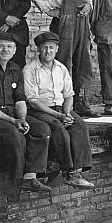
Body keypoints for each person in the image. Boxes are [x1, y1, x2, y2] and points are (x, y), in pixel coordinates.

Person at [26, 0, 96, 117]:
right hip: (63, 21)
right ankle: (64, 106)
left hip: (81, 22)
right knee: (63, 62)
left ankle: (82, 103)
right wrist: (48, 9)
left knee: (83, 63)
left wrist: (88, 5)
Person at [0, 33, 50, 192]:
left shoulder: (15, 69)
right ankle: (17, 180)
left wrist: (22, 118)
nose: (5, 50)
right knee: (15, 133)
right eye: (0, 46)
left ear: (15, 50)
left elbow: (20, 99)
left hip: (11, 114)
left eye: (9, 46)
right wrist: (13, 121)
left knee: (42, 129)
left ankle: (31, 176)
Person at [24, 31, 94, 188]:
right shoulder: (30, 69)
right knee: (58, 127)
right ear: (38, 49)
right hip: (40, 109)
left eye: (51, 48)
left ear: (56, 49)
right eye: (44, 48)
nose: (48, 51)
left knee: (79, 125)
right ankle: (68, 171)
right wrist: (59, 116)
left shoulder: (61, 68)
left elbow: (69, 95)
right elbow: (33, 101)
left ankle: (77, 172)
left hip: (62, 108)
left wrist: (67, 113)